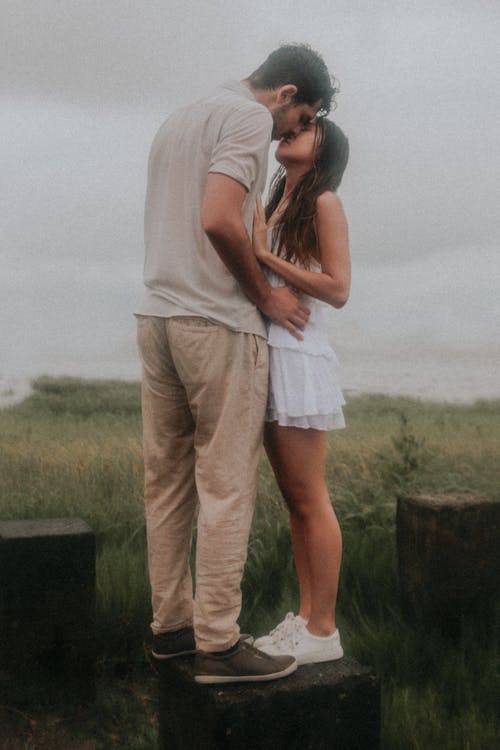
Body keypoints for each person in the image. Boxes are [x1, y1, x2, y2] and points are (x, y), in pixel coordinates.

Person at [135, 44, 336, 684]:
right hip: (214, 322)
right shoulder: (249, 119)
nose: (292, 131)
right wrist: (266, 297)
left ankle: (171, 629)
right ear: (286, 94)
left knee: (165, 481)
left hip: (157, 315)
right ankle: (218, 644)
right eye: (300, 116)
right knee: (225, 484)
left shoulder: (182, 115)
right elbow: (219, 219)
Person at [251, 117, 350, 665]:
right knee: (296, 500)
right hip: (274, 353)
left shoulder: (325, 202)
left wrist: (266, 256)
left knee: (311, 497)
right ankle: (308, 620)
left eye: (309, 127)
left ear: (324, 149)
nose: (291, 130)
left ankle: (324, 629)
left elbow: (339, 289)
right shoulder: (278, 199)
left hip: (300, 356)